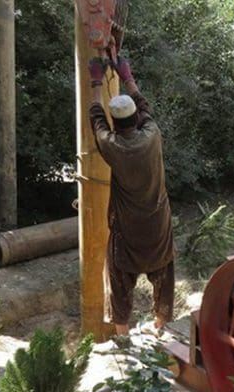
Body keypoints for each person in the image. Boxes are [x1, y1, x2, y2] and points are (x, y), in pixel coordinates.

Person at [88, 56, 175, 335]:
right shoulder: (152, 135)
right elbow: (144, 107)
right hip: (158, 222)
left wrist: (96, 81)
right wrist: (127, 76)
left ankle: (122, 335)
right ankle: (161, 324)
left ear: (116, 122)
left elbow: (96, 117)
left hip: (128, 230)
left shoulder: (112, 145)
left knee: (119, 277)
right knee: (164, 272)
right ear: (136, 117)